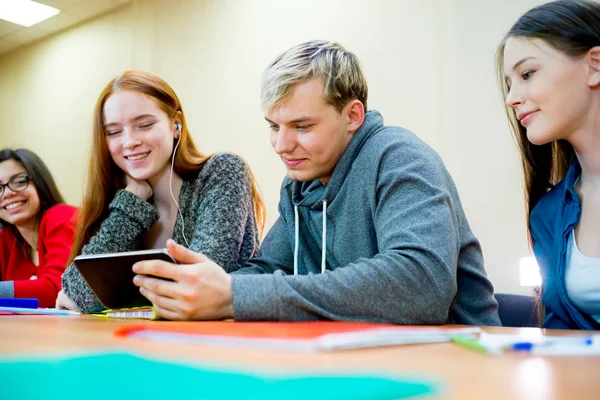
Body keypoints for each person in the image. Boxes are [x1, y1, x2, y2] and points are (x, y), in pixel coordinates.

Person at [132, 41, 501, 325]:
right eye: (274, 126)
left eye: (302, 127)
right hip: (358, 361)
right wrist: (193, 287)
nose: (281, 145)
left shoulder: (400, 157)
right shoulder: (299, 186)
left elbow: (421, 285)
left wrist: (235, 294)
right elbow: (267, 270)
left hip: (458, 365)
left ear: (352, 115)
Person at [57, 70, 265, 317]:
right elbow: (74, 293)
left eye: (144, 125)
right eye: (113, 132)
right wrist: (132, 200)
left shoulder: (221, 171)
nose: (129, 141)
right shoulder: (120, 199)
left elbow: (195, 285)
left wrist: (107, 299)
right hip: (140, 343)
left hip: (221, 345)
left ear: (175, 124)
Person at [497, 0, 600, 330]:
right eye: (509, 83)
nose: (512, 97)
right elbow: (563, 337)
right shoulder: (547, 213)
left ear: (594, 65)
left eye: (527, 74)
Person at [0, 148, 77, 307]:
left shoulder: (61, 216)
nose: (7, 193)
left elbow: (59, 289)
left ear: (40, 182)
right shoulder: (7, 238)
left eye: (19, 181)